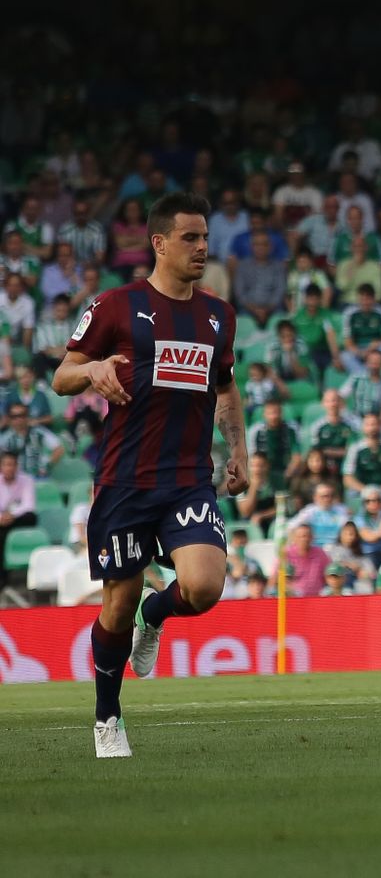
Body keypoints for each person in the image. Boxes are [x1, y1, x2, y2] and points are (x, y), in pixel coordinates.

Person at [52, 192, 249, 758]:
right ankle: (107, 717)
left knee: (206, 587)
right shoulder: (115, 306)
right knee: (116, 602)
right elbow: (61, 377)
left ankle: (156, 613)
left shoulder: (218, 316)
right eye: (190, 238)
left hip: (187, 478)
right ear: (159, 243)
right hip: (125, 480)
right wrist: (90, 368)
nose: (203, 248)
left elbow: (226, 386)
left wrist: (239, 449)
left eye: (206, 238)